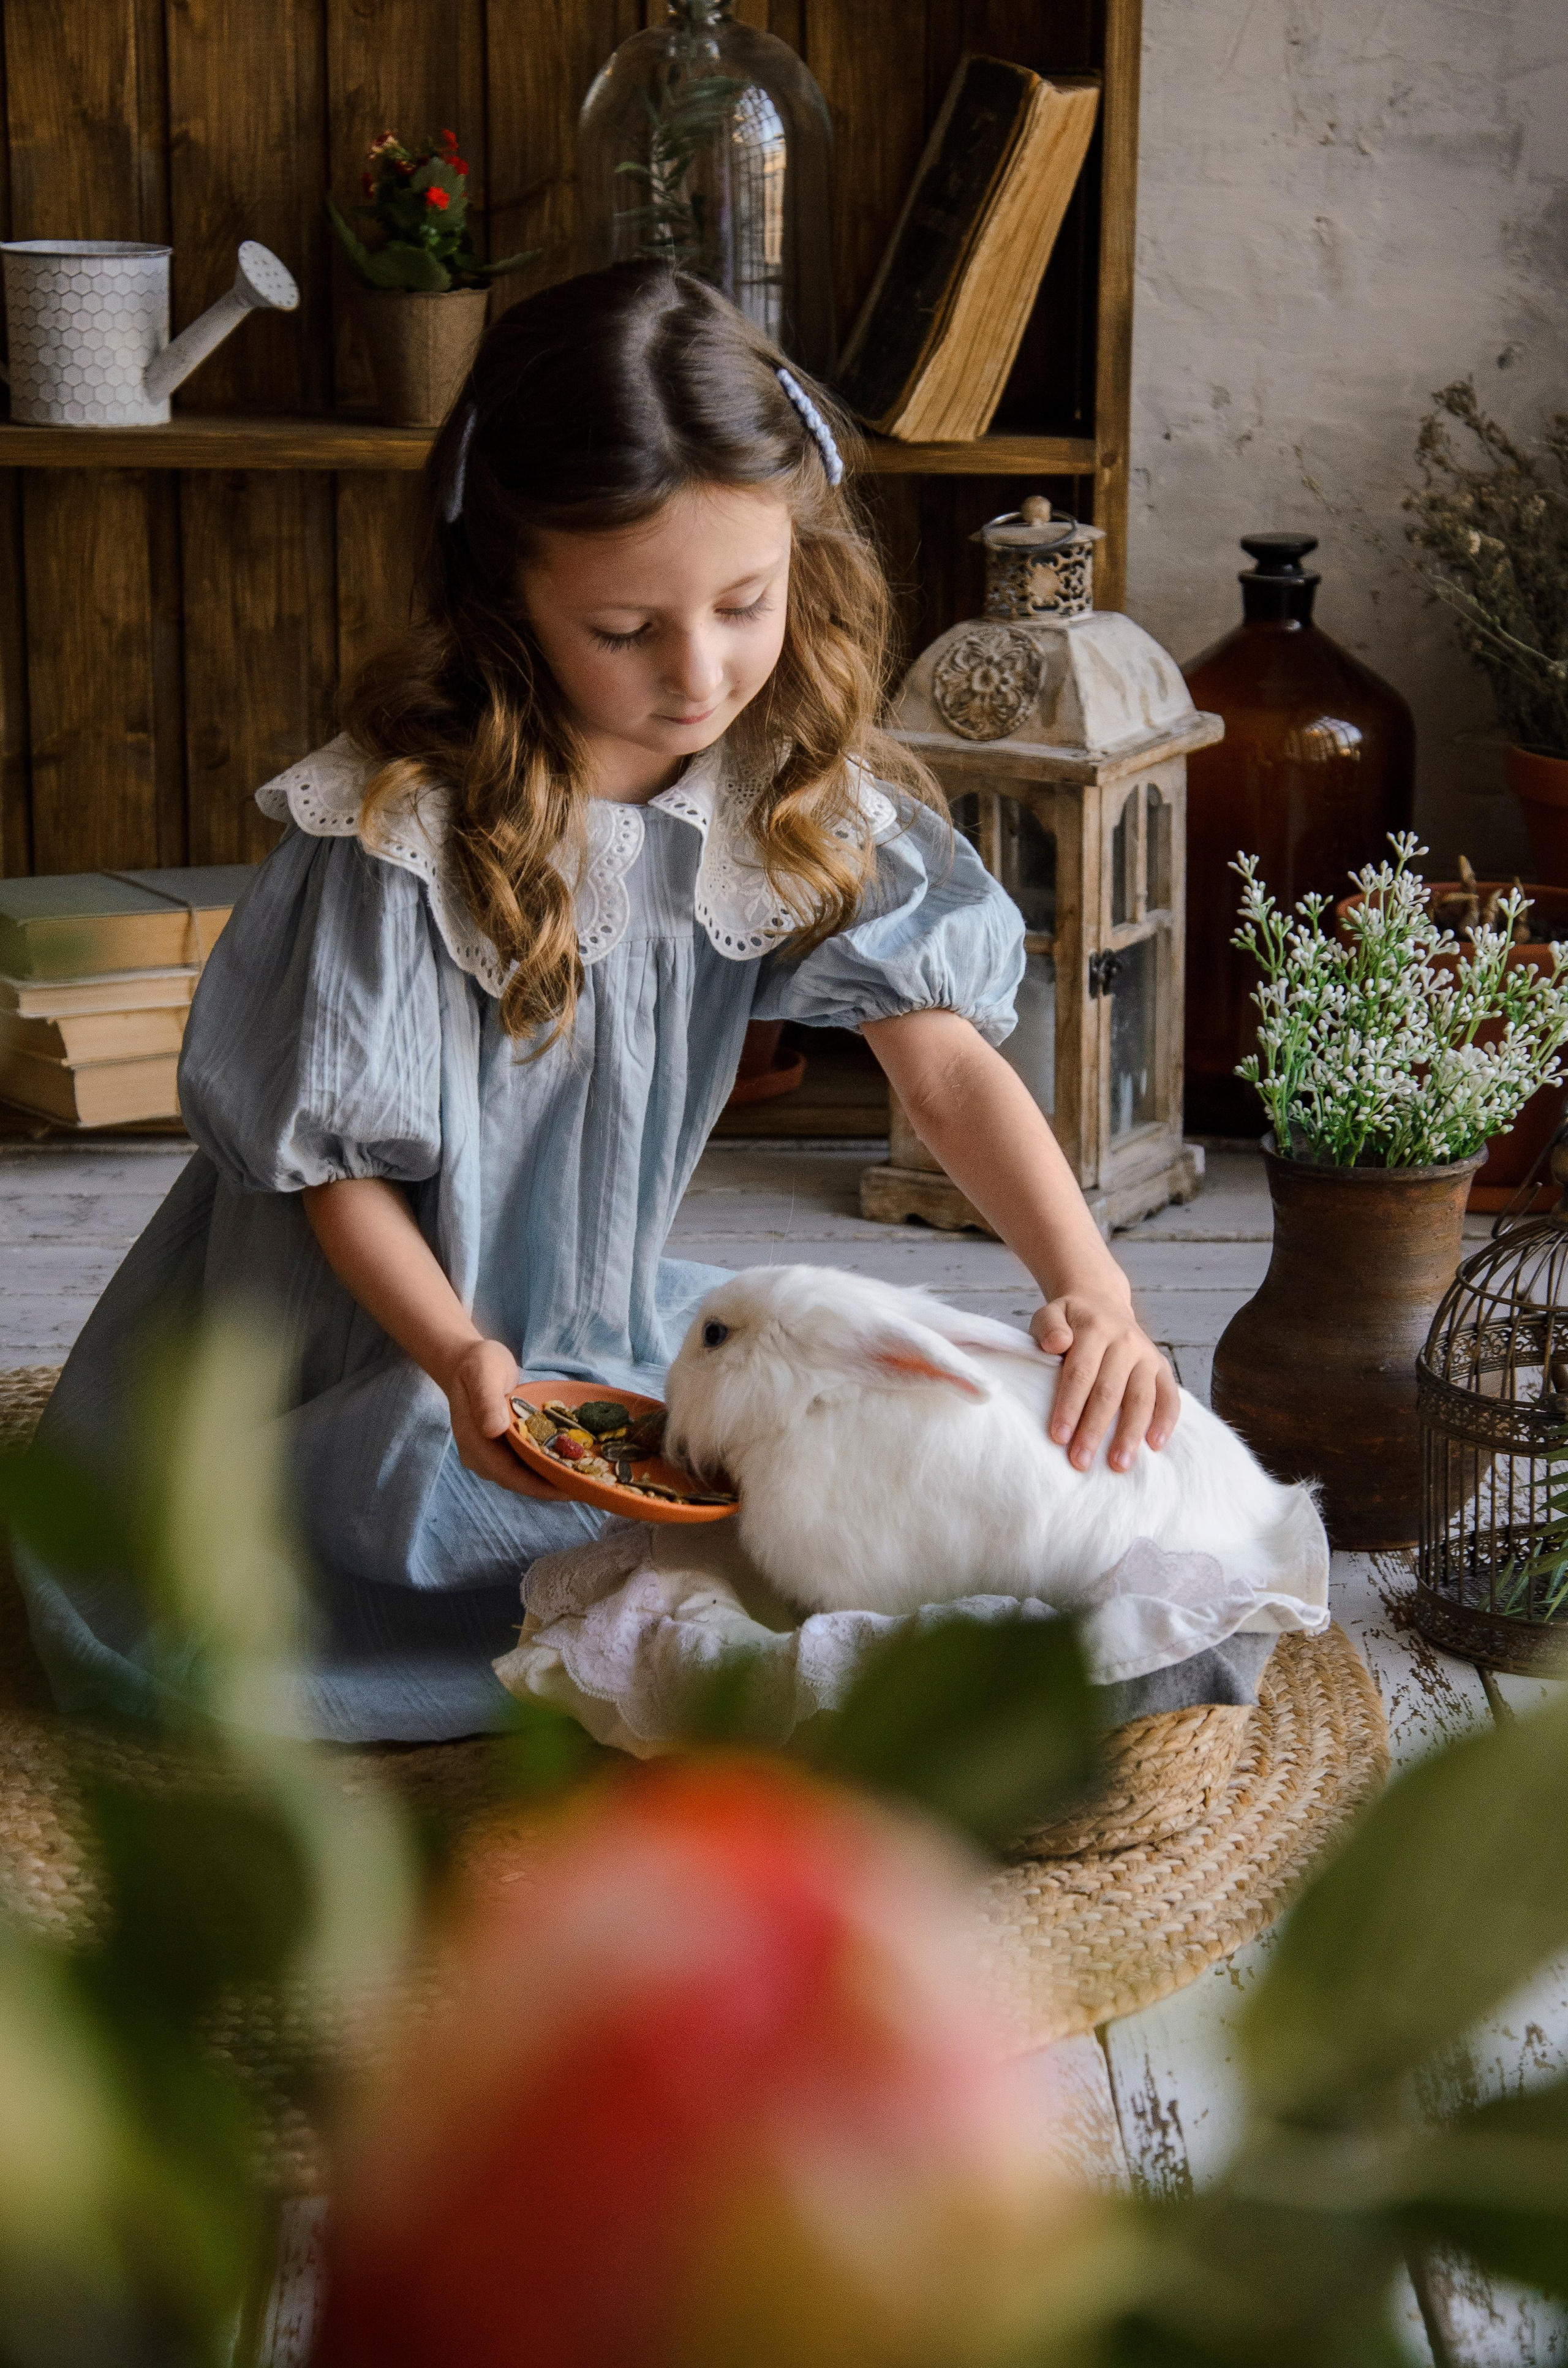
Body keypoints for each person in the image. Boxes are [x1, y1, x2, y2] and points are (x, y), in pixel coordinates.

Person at [20, 263, 1177, 1743]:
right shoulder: (401, 829)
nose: (698, 673)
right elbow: (339, 1185)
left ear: (795, 559)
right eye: (625, 630)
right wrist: (456, 1361)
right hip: (365, 1345)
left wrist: (1092, 1289)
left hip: (586, 1316)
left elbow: (941, 1067)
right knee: (477, 1551)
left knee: (890, 1452)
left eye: (744, 604)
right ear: (503, 590)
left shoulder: (777, 779)